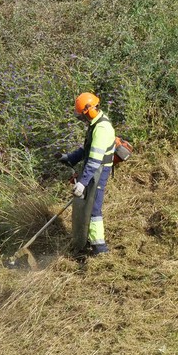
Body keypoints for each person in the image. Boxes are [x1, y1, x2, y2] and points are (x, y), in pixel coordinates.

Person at [56, 92, 116, 256]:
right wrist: (70, 158)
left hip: (99, 170)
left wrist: (82, 183)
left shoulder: (102, 128)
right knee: (86, 207)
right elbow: (87, 149)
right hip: (93, 169)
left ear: (90, 110)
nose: (82, 120)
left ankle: (100, 248)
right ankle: (88, 240)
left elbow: (95, 161)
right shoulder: (95, 124)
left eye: (82, 116)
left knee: (94, 209)